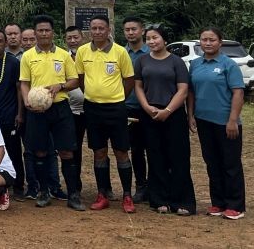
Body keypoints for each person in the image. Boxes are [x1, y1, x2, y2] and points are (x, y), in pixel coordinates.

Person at [19, 14, 84, 211]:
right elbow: (24, 83)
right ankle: (43, 192)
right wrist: (27, 100)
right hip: (37, 110)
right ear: (35, 33)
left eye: (47, 30)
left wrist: (61, 86)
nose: (44, 33)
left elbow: (75, 81)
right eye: (40, 30)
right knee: (39, 151)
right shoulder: (28, 56)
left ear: (52, 32)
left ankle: (73, 194)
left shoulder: (64, 55)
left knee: (66, 151)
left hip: (60, 108)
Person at [75, 14, 136, 213]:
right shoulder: (83, 51)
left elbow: (129, 80)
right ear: (89, 31)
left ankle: (127, 195)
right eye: (94, 28)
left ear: (108, 30)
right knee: (99, 152)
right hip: (92, 109)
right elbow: (82, 79)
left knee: (121, 152)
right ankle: (102, 194)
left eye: (102, 28)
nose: (98, 31)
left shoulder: (120, 52)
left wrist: (116, 97)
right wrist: (93, 95)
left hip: (116, 108)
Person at [133, 25, 194, 215]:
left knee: (178, 157)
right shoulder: (142, 60)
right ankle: (158, 199)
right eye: (148, 38)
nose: (152, 41)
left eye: (155, 37)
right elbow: (138, 87)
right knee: (155, 156)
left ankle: (182, 201)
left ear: (164, 39)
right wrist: (146, 107)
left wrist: (168, 110)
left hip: (173, 114)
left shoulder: (177, 62)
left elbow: (183, 90)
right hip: (149, 113)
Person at [188, 26, 246, 220]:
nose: (208, 43)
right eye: (204, 40)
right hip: (204, 121)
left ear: (220, 43)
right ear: (199, 42)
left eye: (212, 40)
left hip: (226, 123)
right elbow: (191, 93)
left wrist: (232, 120)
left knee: (230, 164)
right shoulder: (195, 64)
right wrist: (191, 115)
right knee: (212, 163)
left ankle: (235, 205)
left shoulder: (228, 64)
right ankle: (218, 202)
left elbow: (238, 92)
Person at [0, 29, 24, 199]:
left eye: (1, 41)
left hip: (10, 114)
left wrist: (19, 113)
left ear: (6, 42)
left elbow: (19, 89)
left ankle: (19, 186)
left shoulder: (14, 62)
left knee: (13, 151)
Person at [122, 15, 149, 202]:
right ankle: (141, 186)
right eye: (127, 30)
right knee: (136, 150)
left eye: (134, 29)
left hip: (151, 108)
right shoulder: (121, 53)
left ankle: (157, 186)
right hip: (128, 108)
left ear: (143, 30)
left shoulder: (152, 52)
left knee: (154, 149)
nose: (131, 33)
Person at [63, 26, 89, 188]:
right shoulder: (63, 57)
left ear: (82, 38)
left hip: (92, 108)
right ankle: (74, 186)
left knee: (100, 148)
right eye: (69, 38)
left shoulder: (89, 55)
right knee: (73, 148)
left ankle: (105, 187)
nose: (73, 41)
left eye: (76, 37)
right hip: (72, 111)